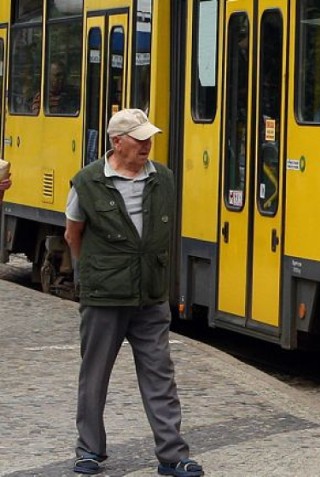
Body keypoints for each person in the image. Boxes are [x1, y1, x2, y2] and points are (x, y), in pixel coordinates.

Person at [64, 109, 204, 477]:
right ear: (116, 142)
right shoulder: (87, 182)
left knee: (160, 375)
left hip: (150, 294)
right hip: (104, 296)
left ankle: (172, 456)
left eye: (148, 137)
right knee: (94, 374)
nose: (147, 144)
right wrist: (90, 276)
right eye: (138, 138)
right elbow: (72, 235)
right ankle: (89, 450)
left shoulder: (164, 178)